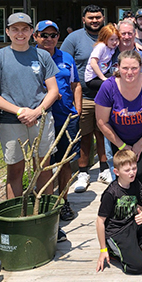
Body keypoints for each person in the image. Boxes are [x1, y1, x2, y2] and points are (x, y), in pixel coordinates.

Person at [0, 12, 59, 199]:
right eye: (15, 29)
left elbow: (53, 90)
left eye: (24, 29)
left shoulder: (42, 56)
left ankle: (46, 218)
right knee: (15, 170)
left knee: (44, 168)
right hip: (11, 121)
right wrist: (20, 111)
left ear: (32, 32)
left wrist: (37, 112)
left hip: (42, 120)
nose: (20, 33)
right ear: (7, 31)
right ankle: (15, 218)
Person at [95, 50, 142, 193]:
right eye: (125, 68)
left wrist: (140, 144)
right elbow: (102, 122)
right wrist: (121, 145)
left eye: (134, 68)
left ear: (141, 66)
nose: (130, 72)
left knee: (138, 172)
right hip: (118, 136)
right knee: (123, 174)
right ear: (118, 67)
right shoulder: (108, 87)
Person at [34, 20, 82, 224]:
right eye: (44, 35)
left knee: (64, 162)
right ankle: (43, 202)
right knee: (42, 163)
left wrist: (77, 110)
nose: (49, 39)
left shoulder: (66, 57)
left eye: (53, 35)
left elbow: (75, 84)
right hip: (40, 117)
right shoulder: (30, 58)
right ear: (35, 36)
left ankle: (63, 201)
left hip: (65, 116)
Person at [95, 149, 142, 274]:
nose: (132, 173)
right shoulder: (111, 193)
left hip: (131, 224)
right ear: (116, 172)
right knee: (139, 267)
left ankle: (133, 247)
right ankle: (115, 251)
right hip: (116, 233)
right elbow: (99, 222)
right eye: (127, 170)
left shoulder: (136, 183)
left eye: (134, 168)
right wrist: (103, 250)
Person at [61, 4, 109, 193]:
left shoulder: (108, 35)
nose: (95, 20)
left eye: (98, 17)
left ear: (103, 18)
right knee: (85, 134)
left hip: (107, 96)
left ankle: (106, 168)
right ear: (84, 19)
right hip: (85, 96)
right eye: (91, 17)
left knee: (104, 133)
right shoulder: (74, 38)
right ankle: (83, 171)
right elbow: (63, 62)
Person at [85, 24, 121, 94]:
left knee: (120, 79)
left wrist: (135, 43)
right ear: (105, 38)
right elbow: (93, 63)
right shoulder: (101, 46)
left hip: (103, 73)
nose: (114, 42)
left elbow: (124, 42)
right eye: (111, 39)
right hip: (92, 78)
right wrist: (103, 78)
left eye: (116, 39)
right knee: (111, 85)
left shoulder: (111, 47)